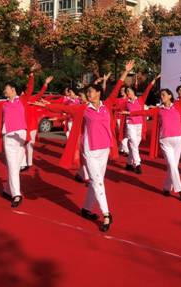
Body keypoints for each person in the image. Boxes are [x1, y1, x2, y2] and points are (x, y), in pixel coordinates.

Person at [32, 60, 135, 232]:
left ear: (98, 93)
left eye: (91, 91)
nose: (88, 94)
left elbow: (117, 87)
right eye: (87, 92)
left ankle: (86, 209)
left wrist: (125, 72)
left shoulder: (106, 105)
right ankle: (107, 214)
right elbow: (64, 109)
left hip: (104, 149)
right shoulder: (83, 108)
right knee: (97, 181)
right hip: (90, 149)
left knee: (96, 181)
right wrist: (47, 105)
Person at [0, 73, 52, 207]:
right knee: (13, 166)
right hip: (9, 137)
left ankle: (7, 190)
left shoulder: (22, 100)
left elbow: (30, 90)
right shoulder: (3, 104)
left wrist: (31, 76)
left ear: (13, 90)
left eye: (6, 89)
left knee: (15, 167)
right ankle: (16, 194)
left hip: (21, 136)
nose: (4, 91)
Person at [123, 71, 181, 202]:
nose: (162, 96)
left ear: (170, 96)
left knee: (173, 166)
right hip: (165, 141)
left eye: (164, 94)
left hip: (178, 139)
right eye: (161, 95)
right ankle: (180, 190)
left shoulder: (178, 105)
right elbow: (143, 112)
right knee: (172, 165)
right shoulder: (158, 109)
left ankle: (167, 187)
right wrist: (129, 113)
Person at [119, 75, 160, 174]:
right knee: (133, 143)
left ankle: (129, 164)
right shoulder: (125, 102)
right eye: (126, 92)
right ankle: (137, 164)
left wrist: (154, 79)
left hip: (140, 125)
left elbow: (148, 89)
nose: (128, 93)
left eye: (129, 91)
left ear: (134, 92)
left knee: (135, 145)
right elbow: (117, 107)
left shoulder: (140, 100)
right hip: (130, 125)